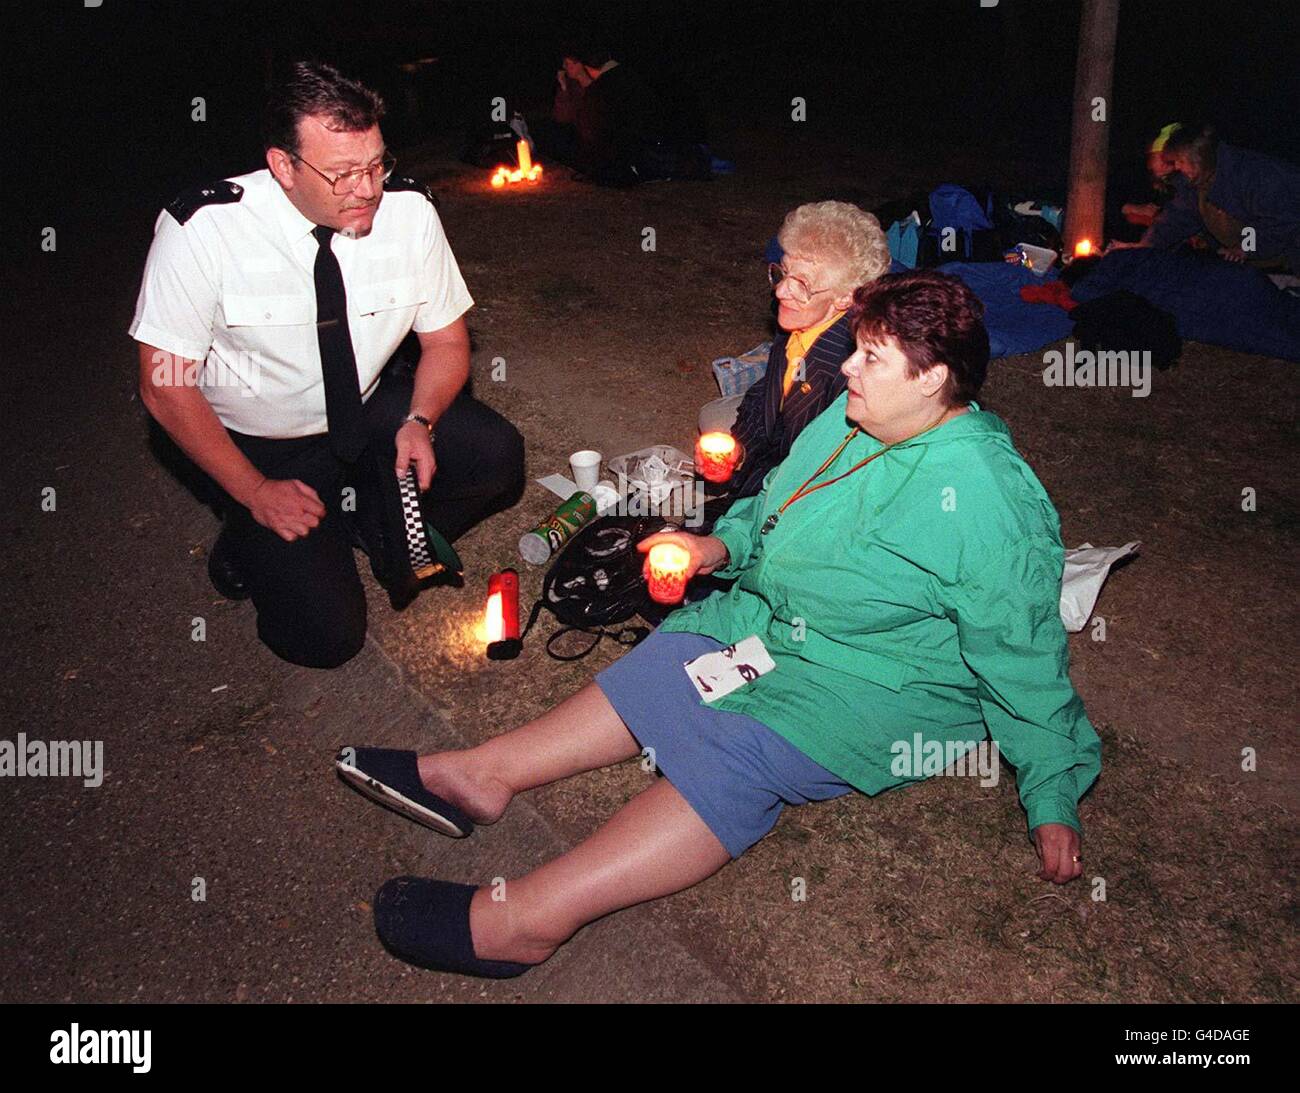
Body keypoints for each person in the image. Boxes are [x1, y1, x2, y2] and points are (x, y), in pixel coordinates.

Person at [338, 271, 1102, 978]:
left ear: (933, 379)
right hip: (780, 617)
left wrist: (1052, 791)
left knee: (739, 750)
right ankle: (483, 774)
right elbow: (772, 507)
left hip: (883, 684)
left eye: (870, 357)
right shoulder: (853, 414)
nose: (846, 370)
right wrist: (713, 545)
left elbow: (1023, 658)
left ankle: (528, 920)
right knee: (680, 649)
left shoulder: (986, 501)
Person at [131, 61, 525, 669]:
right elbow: (164, 387)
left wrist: (419, 419)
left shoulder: (410, 212)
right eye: (342, 174)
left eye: (375, 165)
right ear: (283, 166)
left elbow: (447, 342)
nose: (366, 189)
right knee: (327, 638)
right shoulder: (203, 229)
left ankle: (367, 523)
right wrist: (255, 491)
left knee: (496, 453)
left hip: (367, 410)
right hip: (264, 445)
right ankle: (249, 534)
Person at [715, 201, 891, 506]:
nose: (781, 291)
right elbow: (764, 394)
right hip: (778, 448)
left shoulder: (850, 367)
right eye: (782, 274)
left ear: (845, 297)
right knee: (713, 417)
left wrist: (738, 501)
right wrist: (738, 450)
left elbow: (812, 473)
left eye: (802, 284)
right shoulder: (801, 316)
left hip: (807, 487)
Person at [1111, 123, 1300, 271]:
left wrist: (1245, 248)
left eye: (1179, 161)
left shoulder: (1253, 175)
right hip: (1264, 265)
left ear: (1196, 158)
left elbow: (1283, 219)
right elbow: (1176, 219)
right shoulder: (1197, 183)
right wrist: (1145, 246)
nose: (1176, 167)